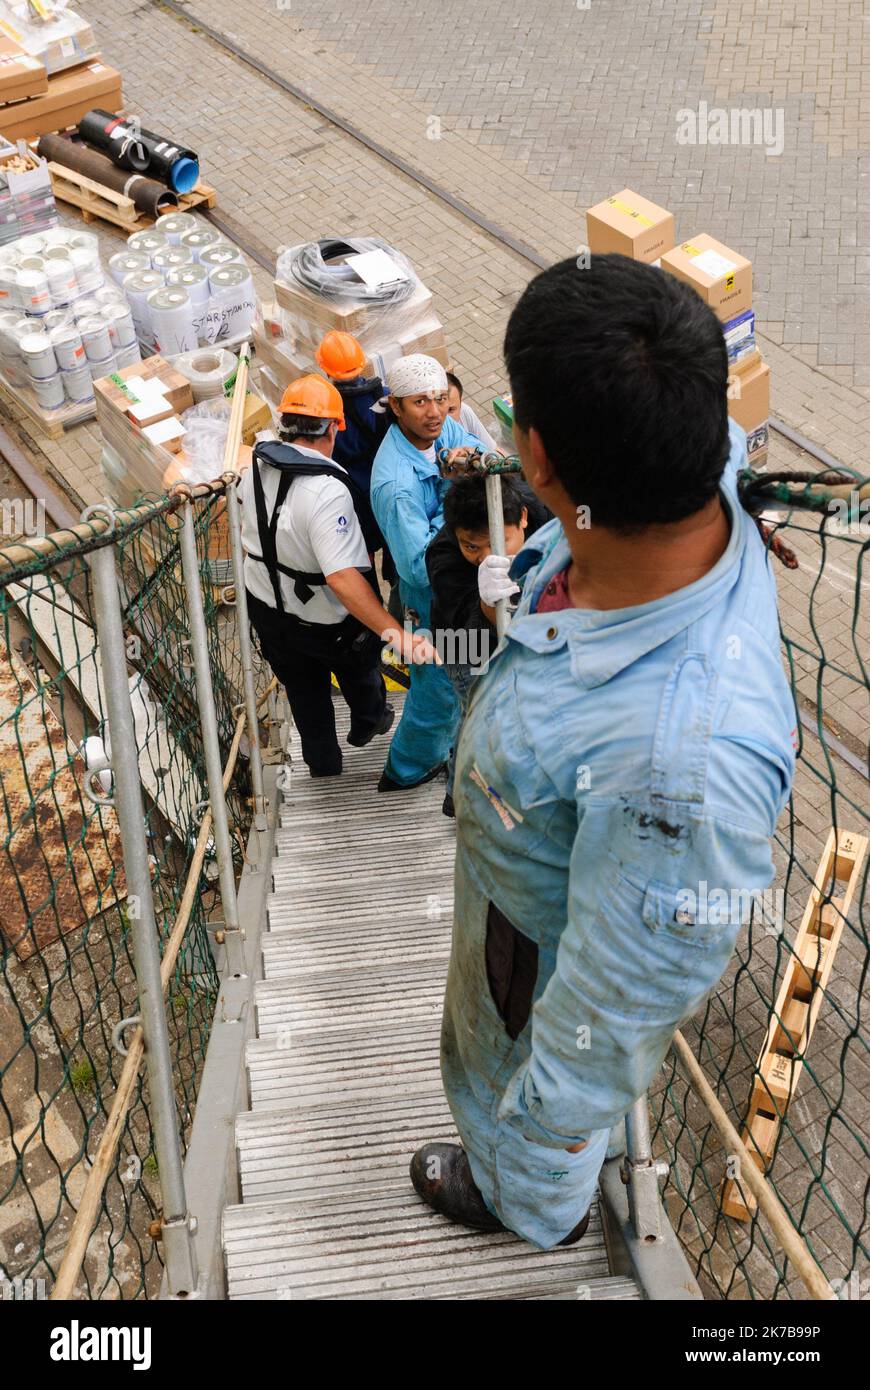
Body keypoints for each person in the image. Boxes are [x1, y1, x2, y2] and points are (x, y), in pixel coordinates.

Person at [409, 254, 796, 1250]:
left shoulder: (684, 767)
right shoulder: (694, 466)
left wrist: (537, 1127)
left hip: (530, 968)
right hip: (523, 875)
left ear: (534, 460)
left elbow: (618, 1001)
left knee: (517, 1096)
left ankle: (529, 1206)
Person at [239, 373, 436, 779]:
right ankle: (370, 721)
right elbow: (344, 579)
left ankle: (324, 768)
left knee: (304, 692)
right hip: (325, 622)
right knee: (360, 669)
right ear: (333, 427)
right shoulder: (327, 491)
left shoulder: (250, 468)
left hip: (267, 609)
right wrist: (395, 634)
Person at [369, 353, 489, 793]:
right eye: (420, 402)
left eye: (440, 399)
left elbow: (481, 456)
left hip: (461, 590)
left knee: (461, 676)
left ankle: (439, 752)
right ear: (395, 406)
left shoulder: (443, 431)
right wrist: (451, 487)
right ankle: (407, 769)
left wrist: (469, 461)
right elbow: (419, 570)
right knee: (437, 690)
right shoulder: (396, 484)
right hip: (432, 603)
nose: (435, 412)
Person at [426, 473, 551, 816]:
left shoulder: (544, 516)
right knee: (479, 717)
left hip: (530, 630)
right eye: (472, 546)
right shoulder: (444, 556)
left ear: (523, 518)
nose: (485, 556)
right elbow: (467, 623)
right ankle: (463, 799)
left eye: (499, 542)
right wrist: (486, 601)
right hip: (464, 642)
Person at [446, 371, 500, 454]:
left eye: (450, 410)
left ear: (460, 405)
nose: (443, 418)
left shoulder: (464, 411)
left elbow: (493, 448)